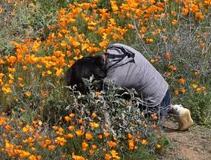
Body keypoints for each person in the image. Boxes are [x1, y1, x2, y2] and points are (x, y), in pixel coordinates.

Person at [65, 43, 193, 131]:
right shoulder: (115, 47)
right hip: (163, 90)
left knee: (129, 125)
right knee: (126, 93)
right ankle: (174, 109)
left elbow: (104, 113)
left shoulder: (113, 81)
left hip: (154, 107)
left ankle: (164, 110)